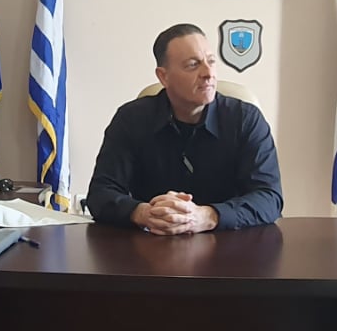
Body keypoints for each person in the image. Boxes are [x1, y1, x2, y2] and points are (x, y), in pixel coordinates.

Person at [86, 23, 282, 234]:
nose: (208, 73)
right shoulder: (131, 119)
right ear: (163, 76)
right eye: (193, 65)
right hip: (152, 244)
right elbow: (100, 194)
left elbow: (269, 198)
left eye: (211, 61)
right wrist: (144, 213)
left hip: (230, 245)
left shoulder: (246, 119)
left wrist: (208, 216)